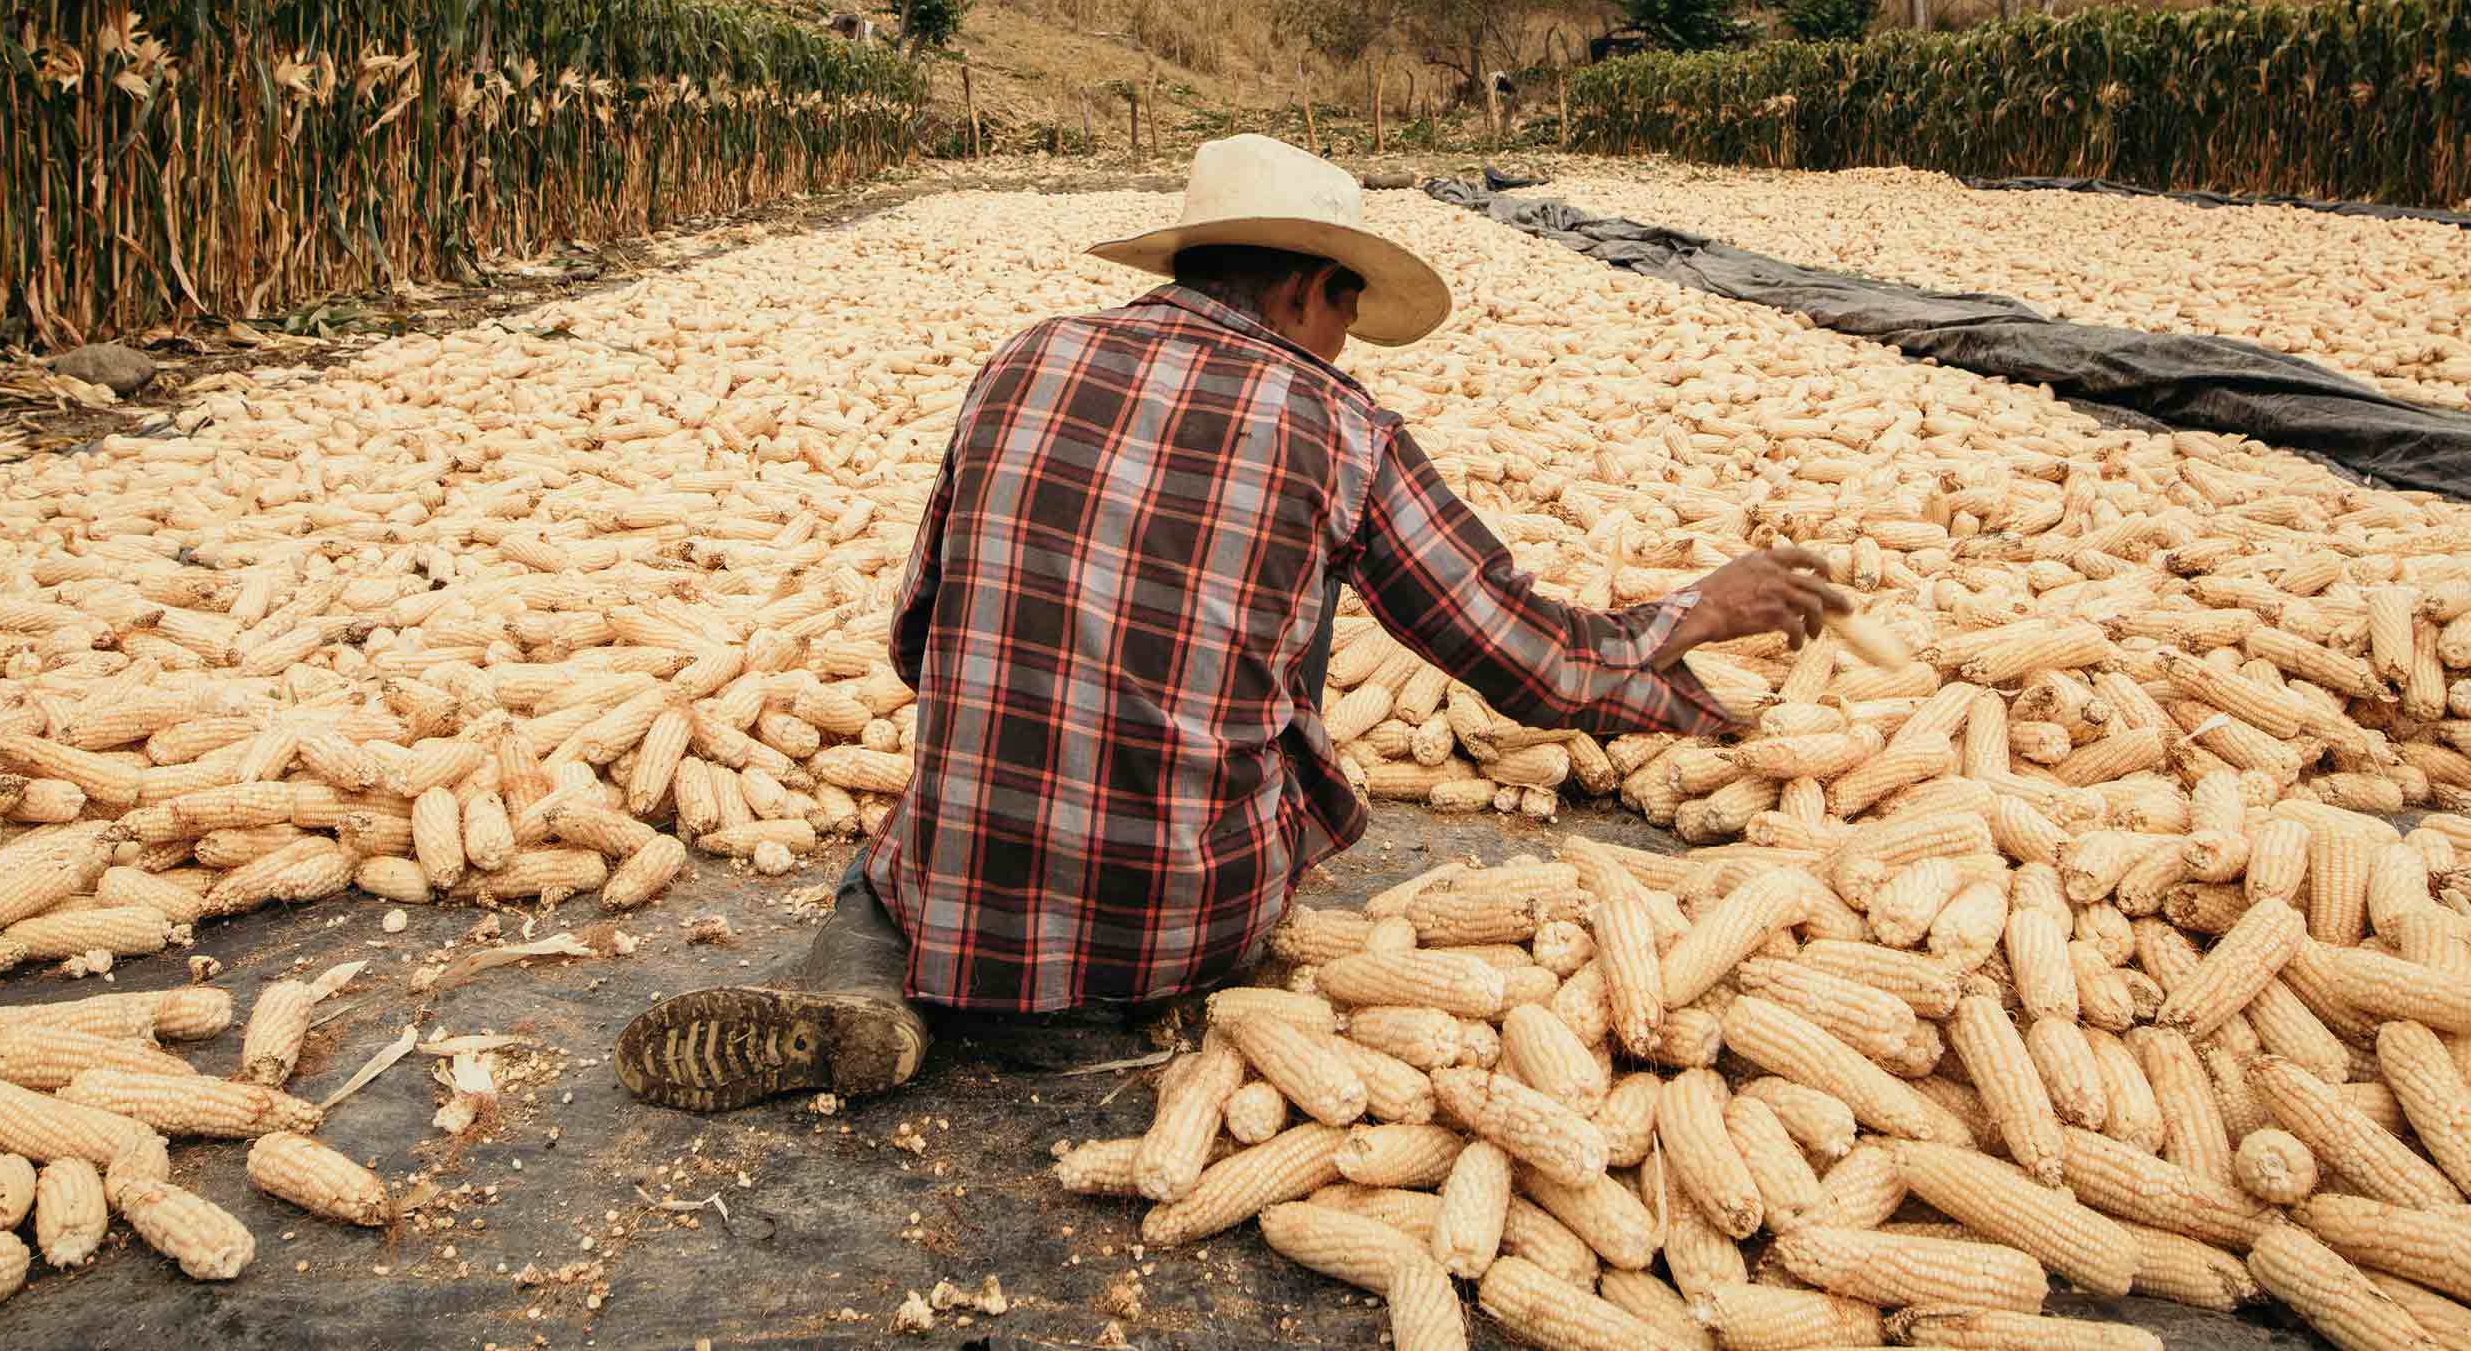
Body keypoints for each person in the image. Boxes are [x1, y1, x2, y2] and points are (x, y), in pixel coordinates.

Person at [615, 136, 1849, 1112]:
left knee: (882, 875)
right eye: (1347, 315)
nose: (1347, 346)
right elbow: (1529, 664)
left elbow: (917, 632)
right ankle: (1187, 984)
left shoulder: (1022, 358)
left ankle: (869, 993)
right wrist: (1692, 623)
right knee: (1284, 658)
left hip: (966, 881)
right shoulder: (1341, 427)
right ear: (1316, 288)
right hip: (1181, 902)